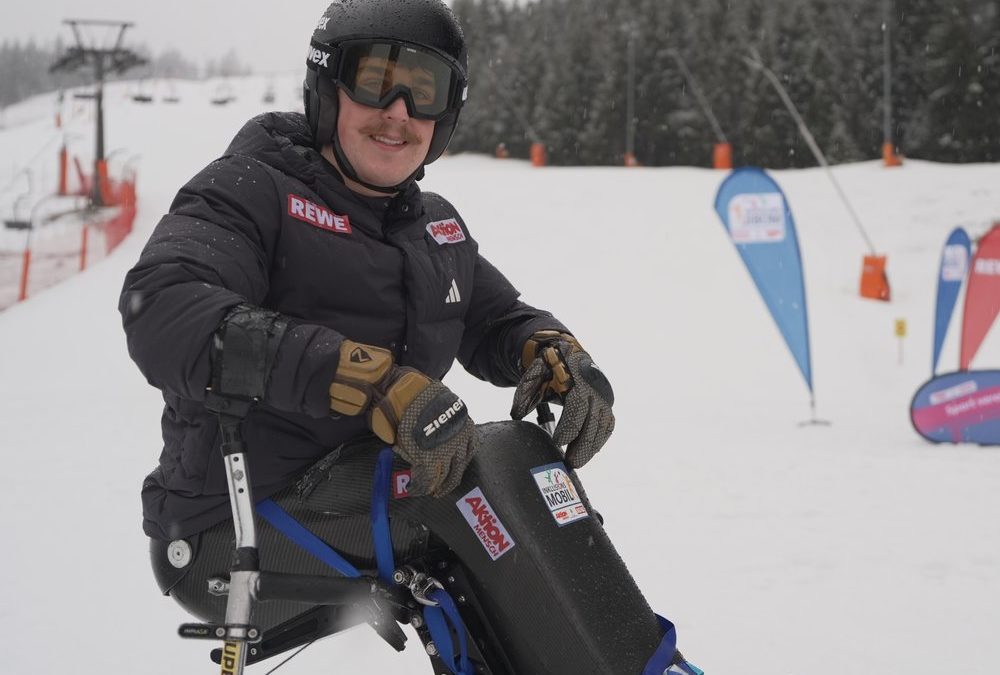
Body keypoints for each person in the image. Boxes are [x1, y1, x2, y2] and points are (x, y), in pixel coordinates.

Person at [120, 1, 698, 673]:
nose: (397, 111)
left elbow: (493, 318)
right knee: (484, 470)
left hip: (371, 496)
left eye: (423, 91)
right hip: (234, 528)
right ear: (326, 87)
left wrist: (552, 349)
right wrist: (371, 383)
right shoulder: (251, 190)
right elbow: (164, 308)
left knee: (523, 463)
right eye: (374, 80)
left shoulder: (432, 227)